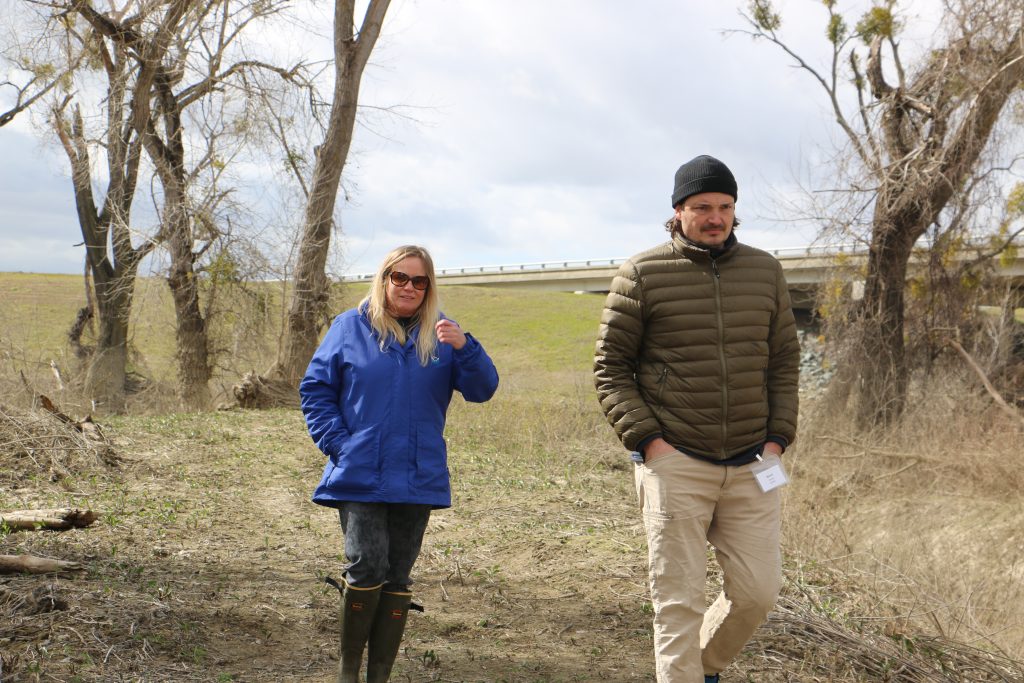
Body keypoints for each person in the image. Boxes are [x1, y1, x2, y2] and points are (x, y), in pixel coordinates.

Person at [593, 155, 800, 682]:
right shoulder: (641, 273)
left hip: (754, 461)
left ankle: (702, 666)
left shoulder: (765, 270)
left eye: (725, 207)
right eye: (703, 207)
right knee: (678, 604)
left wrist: (778, 440)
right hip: (676, 461)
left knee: (758, 593)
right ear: (678, 211)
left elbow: (783, 361)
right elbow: (611, 369)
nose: (716, 217)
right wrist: (651, 444)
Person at [300, 245, 499, 683]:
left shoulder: (445, 335)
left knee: (397, 575)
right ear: (385, 278)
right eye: (400, 277)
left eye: (419, 280)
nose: (409, 287)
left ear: (429, 287)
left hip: (417, 474)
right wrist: (339, 444)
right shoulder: (350, 327)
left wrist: (466, 347)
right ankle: (348, 672)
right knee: (366, 564)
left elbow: (483, 389)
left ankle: (380, 676)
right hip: (359, 473)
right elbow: (315, 389)